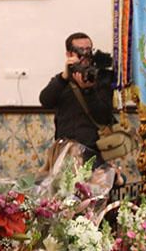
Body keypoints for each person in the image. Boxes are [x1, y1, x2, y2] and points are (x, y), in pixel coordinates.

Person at [39, 33, 116, 168]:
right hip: (66, 151)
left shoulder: (102, 78)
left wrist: (88, 91)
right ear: (69, 54)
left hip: (93, 152)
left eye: (88, 50)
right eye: (81, 50)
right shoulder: (62, 81)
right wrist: (64, 77)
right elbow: (45, 100)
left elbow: (104, 116)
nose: (85, 55)